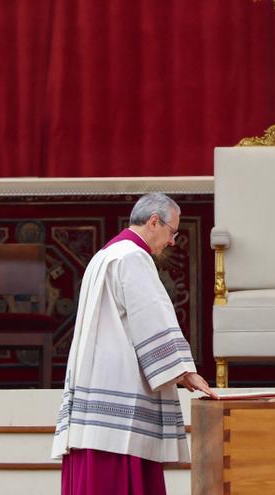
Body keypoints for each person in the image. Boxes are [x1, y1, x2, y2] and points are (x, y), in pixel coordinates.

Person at [52, 193, 217, 495]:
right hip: (120, 383)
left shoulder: (104, 256)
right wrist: (183, 372)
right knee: (119, 465)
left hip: (95, 379)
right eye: (172, 232)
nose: (172, 242)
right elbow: (150, 316)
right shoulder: (133, 257)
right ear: (154, 221)